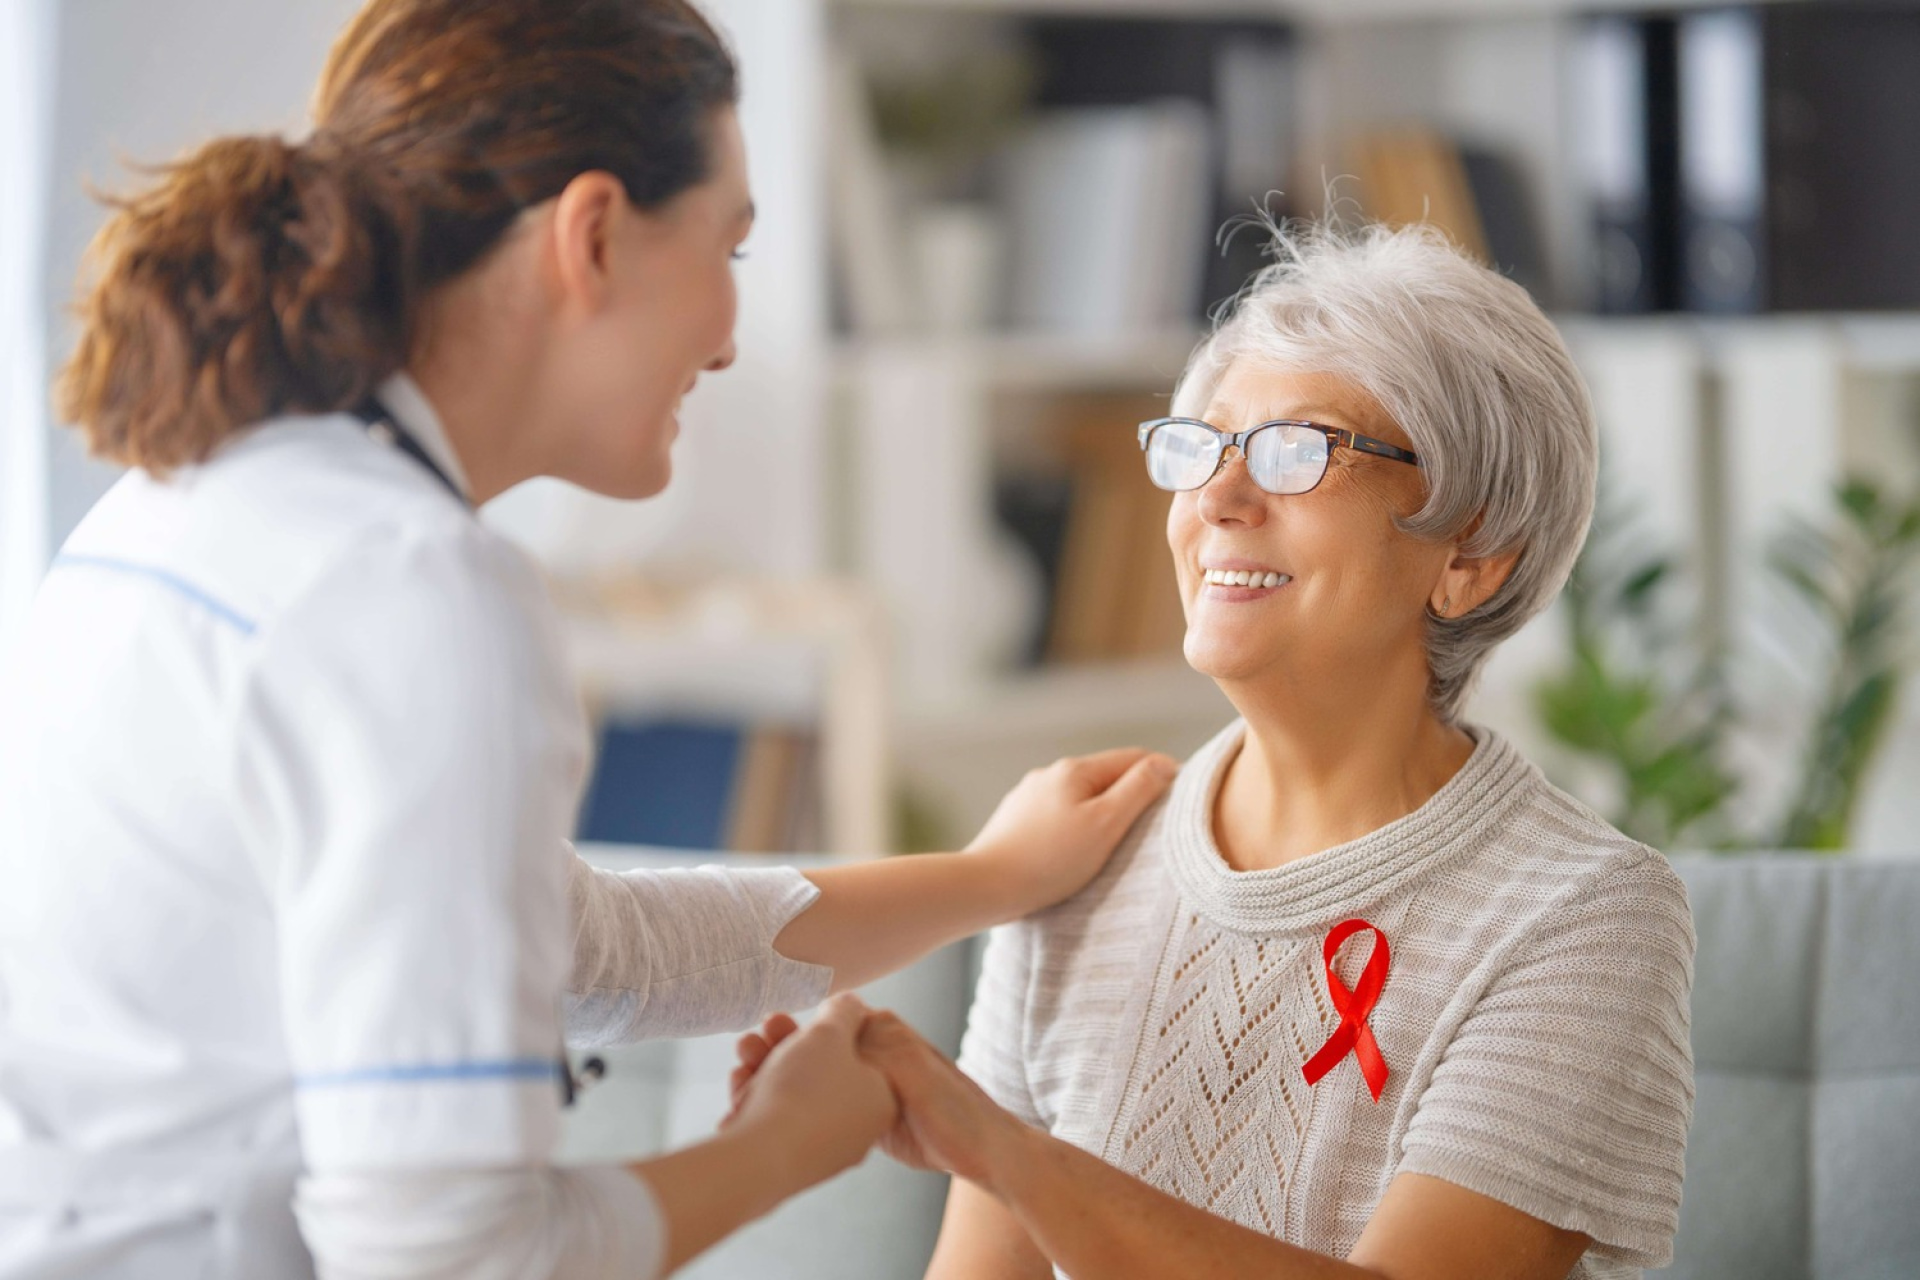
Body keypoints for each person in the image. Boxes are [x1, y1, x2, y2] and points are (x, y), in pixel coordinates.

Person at [0, 3, 1175, 1278]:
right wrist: (790, 1142)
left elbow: (591, 952)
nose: (729, 336)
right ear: (594, 234)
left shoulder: (194, 502)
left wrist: (994, 875)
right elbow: (454, 1261)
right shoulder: (409, 591)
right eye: (730, 247)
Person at [736, 221, 1697, 1280]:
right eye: (1205, 444)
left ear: (1468, 553)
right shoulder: (1077, 856)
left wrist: (1009, 1152)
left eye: (1299, 450)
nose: (1220, 501)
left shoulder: (1583, 912)